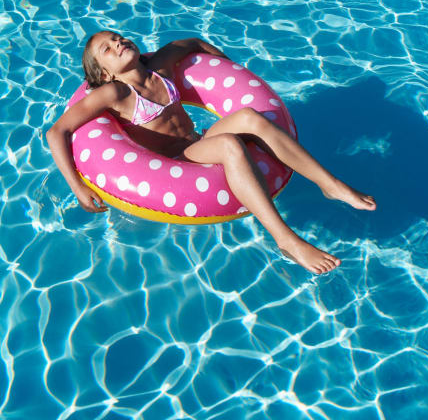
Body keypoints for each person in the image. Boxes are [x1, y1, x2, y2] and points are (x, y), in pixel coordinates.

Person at [46, 31, 376, 274]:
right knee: (230, 144)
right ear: (104, 73)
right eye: (108, 47)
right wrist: (78, 187)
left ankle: (329, 184)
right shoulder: (114, 93)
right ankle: (286, 239)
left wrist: (226, 64)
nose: (118, 42)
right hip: (174, 163)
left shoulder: (159, 65)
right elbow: (56, 131)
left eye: (118, 37)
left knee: (249, 118)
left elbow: (190, 43)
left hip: (197, 141)